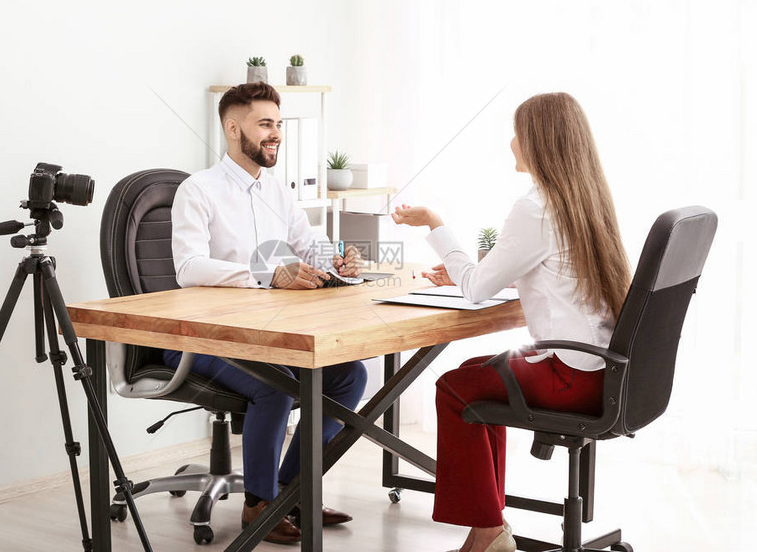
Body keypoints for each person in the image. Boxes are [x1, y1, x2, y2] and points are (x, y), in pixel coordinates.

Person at [391, 92, 631, 552]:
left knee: (455, 388)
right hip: (605, 371)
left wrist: (435, 225)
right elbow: (555, 273)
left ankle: (488, 533)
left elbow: (476, 289)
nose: (512, 143)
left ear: (540, 141)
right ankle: (491, 524)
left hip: (569, 375)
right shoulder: (583, 199)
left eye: (518, 133)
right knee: (479, 377)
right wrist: (478, 275)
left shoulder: (537, 207)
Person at [163, 82, 367, 544]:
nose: (276, 133)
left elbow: (309, 246)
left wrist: (337, 260)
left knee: (348, 375)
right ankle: (259, 506)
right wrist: (267, 273)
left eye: (278, 124)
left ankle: (291, 492)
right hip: (204, 339)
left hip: (266, 335)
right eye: (265, 124)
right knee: (277, 386)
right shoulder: (198, 190)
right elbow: (187, 268)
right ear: (234, 129)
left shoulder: (277, 190)